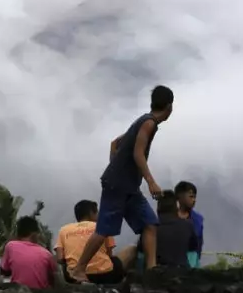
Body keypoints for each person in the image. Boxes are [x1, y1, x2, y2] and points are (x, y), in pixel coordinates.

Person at [70, 85, 174, 282]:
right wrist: (151, 182)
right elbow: (137, 153)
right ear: (169, 107)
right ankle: (79, 269)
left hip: (127, 186)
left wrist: (115, 165)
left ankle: (152, 271)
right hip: (118, 186)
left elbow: (115, 143)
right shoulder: (148, 123)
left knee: (150, 223)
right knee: (104, 230)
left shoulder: (143, 121)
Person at [55, 200, 136, 284]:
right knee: (132, 249)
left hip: (74, 277)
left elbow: (60, 259)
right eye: (97, 213)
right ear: (91, 213)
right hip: (104, 275)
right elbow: (109, 255)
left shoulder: (63, 230)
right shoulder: (102, 226)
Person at [137, 190, 197, 267]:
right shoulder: (188, 225)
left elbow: (140, 251)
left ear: (158, 208)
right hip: (181, 273)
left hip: (156, 273)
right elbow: (193, 249)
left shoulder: (149, 229)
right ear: (176, 208)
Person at [0, 216, 57, 289]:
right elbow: (53, 278)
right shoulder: (46, 254)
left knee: (3, 280)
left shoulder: (10, 246)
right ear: (34, 234)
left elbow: (4, 271)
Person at [175, 181, 204, 268]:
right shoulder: (169, 217)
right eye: (191, 196)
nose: (194, 200)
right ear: (179, 196)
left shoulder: (198, 219)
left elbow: (199, 242)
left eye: (195, 197)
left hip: (192, 260)